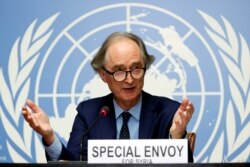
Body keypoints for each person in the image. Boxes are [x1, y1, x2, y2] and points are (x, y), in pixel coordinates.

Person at [22, 32, 195, 162]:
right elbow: (73, 164)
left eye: (136, 68)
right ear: (104, 75)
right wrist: (50, 137)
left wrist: (176, 138)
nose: (129, 79)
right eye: (119, 71)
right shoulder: (89, 113)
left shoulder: (168, 112)